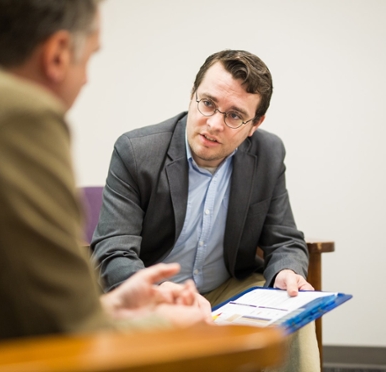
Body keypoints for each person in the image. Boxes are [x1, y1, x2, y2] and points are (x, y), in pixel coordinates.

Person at [0, 0, 210, 351]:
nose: (87, 77)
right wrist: (164, 326)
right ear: (58, 53)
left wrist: (107, 308)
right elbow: (68, 340)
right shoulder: (13, 116)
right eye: (89, 57)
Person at [91, 49, 320, 371]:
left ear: (255, 124)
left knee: (295, 311)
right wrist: (157, 291)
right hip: (158, 295)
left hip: (228, 289)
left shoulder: (268, 153)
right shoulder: (136, 152)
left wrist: (287, 272)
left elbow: (283, 238)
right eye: (208, 103)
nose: (213, 124)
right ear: (192, 95)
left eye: (235, 115)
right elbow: (113, 251)